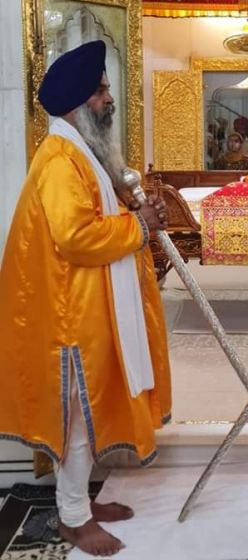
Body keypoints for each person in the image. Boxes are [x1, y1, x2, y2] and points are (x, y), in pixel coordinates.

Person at [0, 41, 171, 556]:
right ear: (78, 105)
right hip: (66, 317)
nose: (109, 99)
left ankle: (83, 504)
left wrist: (133, 216)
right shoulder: (59, 160)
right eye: (100, 91)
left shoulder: (79, 153)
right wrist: (138, 226)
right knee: (74, 413)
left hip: (85, 308)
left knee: (87, 408)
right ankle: (74, 519)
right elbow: (76, 238)